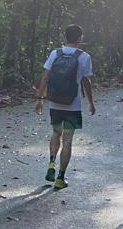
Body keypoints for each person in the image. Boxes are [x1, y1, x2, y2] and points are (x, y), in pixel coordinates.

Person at [34, 24, 95, 190]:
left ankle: (52, 162)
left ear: (65, 37)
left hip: (55, 102)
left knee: (55, 133)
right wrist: (91, 102)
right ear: (80, 38)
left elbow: (45, 76)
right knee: (67, 140)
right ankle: (60, 178)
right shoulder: (84, 57)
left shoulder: (55, 53)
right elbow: (86, 81)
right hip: (72, 105)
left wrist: (39, 99)